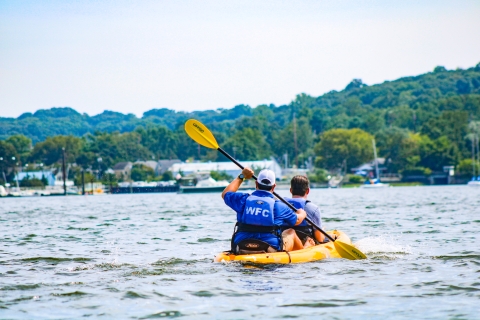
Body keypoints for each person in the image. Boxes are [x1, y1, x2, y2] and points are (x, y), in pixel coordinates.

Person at [221, 167, 310, 254]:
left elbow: (225, 194)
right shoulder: (279, 205)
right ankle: (304, 250)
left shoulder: (243, 200)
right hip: (270, 249)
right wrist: (301, 213)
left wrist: (241, 176)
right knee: (291, 231)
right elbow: (297, 220)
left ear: (256, 184)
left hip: (241, 245)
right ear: (274, 186)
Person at [284, 175, 325, 244]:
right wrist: (322, 231)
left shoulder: (281, 206)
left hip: (286, 243)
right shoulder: (313, 208)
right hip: (306, 244)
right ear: (308, 191)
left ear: (291, 190)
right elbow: (320, 239)